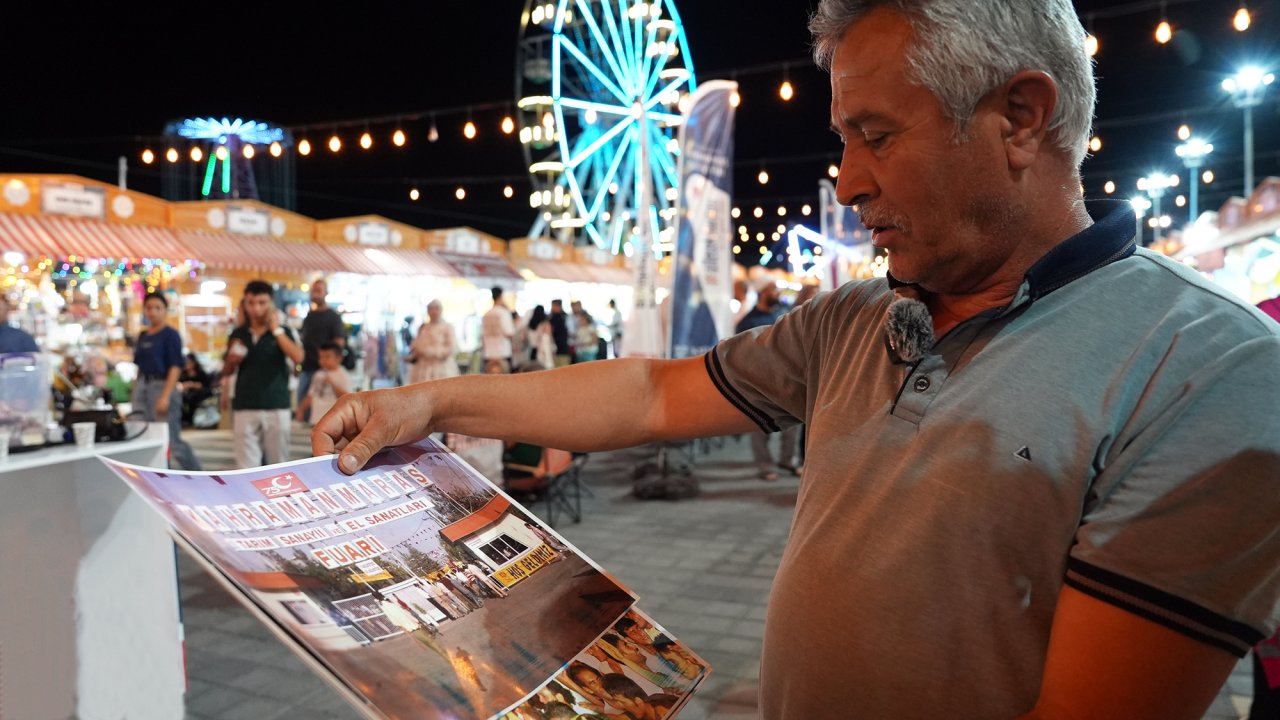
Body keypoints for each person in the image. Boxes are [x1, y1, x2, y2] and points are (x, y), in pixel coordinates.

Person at [313, 1, 1280, 717]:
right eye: (842, 140)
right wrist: (431, 403)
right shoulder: (854, 318)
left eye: (877, 137)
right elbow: (651, 393)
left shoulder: (1209, 370)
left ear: (1021, 118)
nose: (848, 182)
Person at [225, 280, 303, 468]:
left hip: (276, 404)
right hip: (245, 404)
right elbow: (227, 370)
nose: (256, 308)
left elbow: (298, 357)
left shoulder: (283, 331)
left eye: (262, 302)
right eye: (251, 303)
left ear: (271, 303)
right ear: (244, 303)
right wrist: (232, 360)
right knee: (246, 465)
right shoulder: (239, 333)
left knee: (278, 464)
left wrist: (276, 330)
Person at [132, 292, 201, 470]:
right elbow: (139, 367)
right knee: (146, 436)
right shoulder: (143, 336)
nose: (153, 312)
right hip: (143, 386)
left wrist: (165, 396)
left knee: (171, 439)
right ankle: (160, 474)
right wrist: (135, 391)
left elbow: (175, 366)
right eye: (149, 308)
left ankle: (198, 475)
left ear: (165, 310)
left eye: (158, 308)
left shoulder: (170, 335)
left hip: (163, 386)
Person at [736, 280, 796, 480]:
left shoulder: (782, 315)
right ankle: (765, 466)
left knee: (793, 424)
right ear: (762, 292)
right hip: (759, 379)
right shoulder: (748, 321)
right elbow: (740, 351)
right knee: (759, 425)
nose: (777, 293)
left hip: (786, 377)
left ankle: (787, 460)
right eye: (773, 290)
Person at [296, 279, 345, 417]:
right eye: (313, 290)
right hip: (307, 367)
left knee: (322, 410)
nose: (315, 294)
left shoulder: (333, 317)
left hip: (323, 370)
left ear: (326, 293)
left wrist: (328, 364)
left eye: (319, 290)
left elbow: (339, 343)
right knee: (304, 405)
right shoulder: (309, 316)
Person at [295, 343, 351, 425]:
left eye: (327, 357)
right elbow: (311, 395)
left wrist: (333, 383)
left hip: (333, 420)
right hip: (316, 418)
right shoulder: (318, 374)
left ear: (338, 358)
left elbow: (347, 397)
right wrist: (301, 409)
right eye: (321, 357)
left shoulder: (343, 375)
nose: (323, 360)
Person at [407, 300, 459, 384]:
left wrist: (433, 352)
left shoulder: (447, 327)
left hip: (441, 368)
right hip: (423, 369)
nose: (433, 312)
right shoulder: (423, 327)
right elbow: (416, 343)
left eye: (436, 309)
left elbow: (451, 348)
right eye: (430, 309)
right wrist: (418, 350)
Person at [480, 286, 514, 373]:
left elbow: (482, 335)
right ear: (500, 296)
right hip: (503, 353)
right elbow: (509, 333)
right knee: (504, 379)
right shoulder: (504, 313)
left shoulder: (486, 314)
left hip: (489, 353)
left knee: (489, 379)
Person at [179, 353, 213, 426]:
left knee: (192, 398)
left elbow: (205, 385)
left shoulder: (201, 373)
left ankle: (190, 419)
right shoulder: (183, 374)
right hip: (186, 394)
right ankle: (184, 418)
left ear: (194, 363)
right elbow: (180, 384)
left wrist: (193, 385)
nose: (187, 364)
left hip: (199, 394)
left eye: (189, 362)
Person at [548, 299, 572, 367]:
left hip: (560, 348)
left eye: (553, 306)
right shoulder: (564, 316)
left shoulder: (557, 317)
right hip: (562, 347)